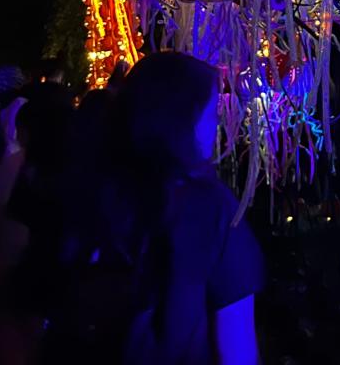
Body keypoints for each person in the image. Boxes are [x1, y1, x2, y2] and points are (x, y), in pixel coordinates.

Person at [90, 51, 265, 364]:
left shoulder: (101, 188)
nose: (217, 127)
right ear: (183, 121)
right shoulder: (211, 209)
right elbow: (237, 347)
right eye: (211, 114)